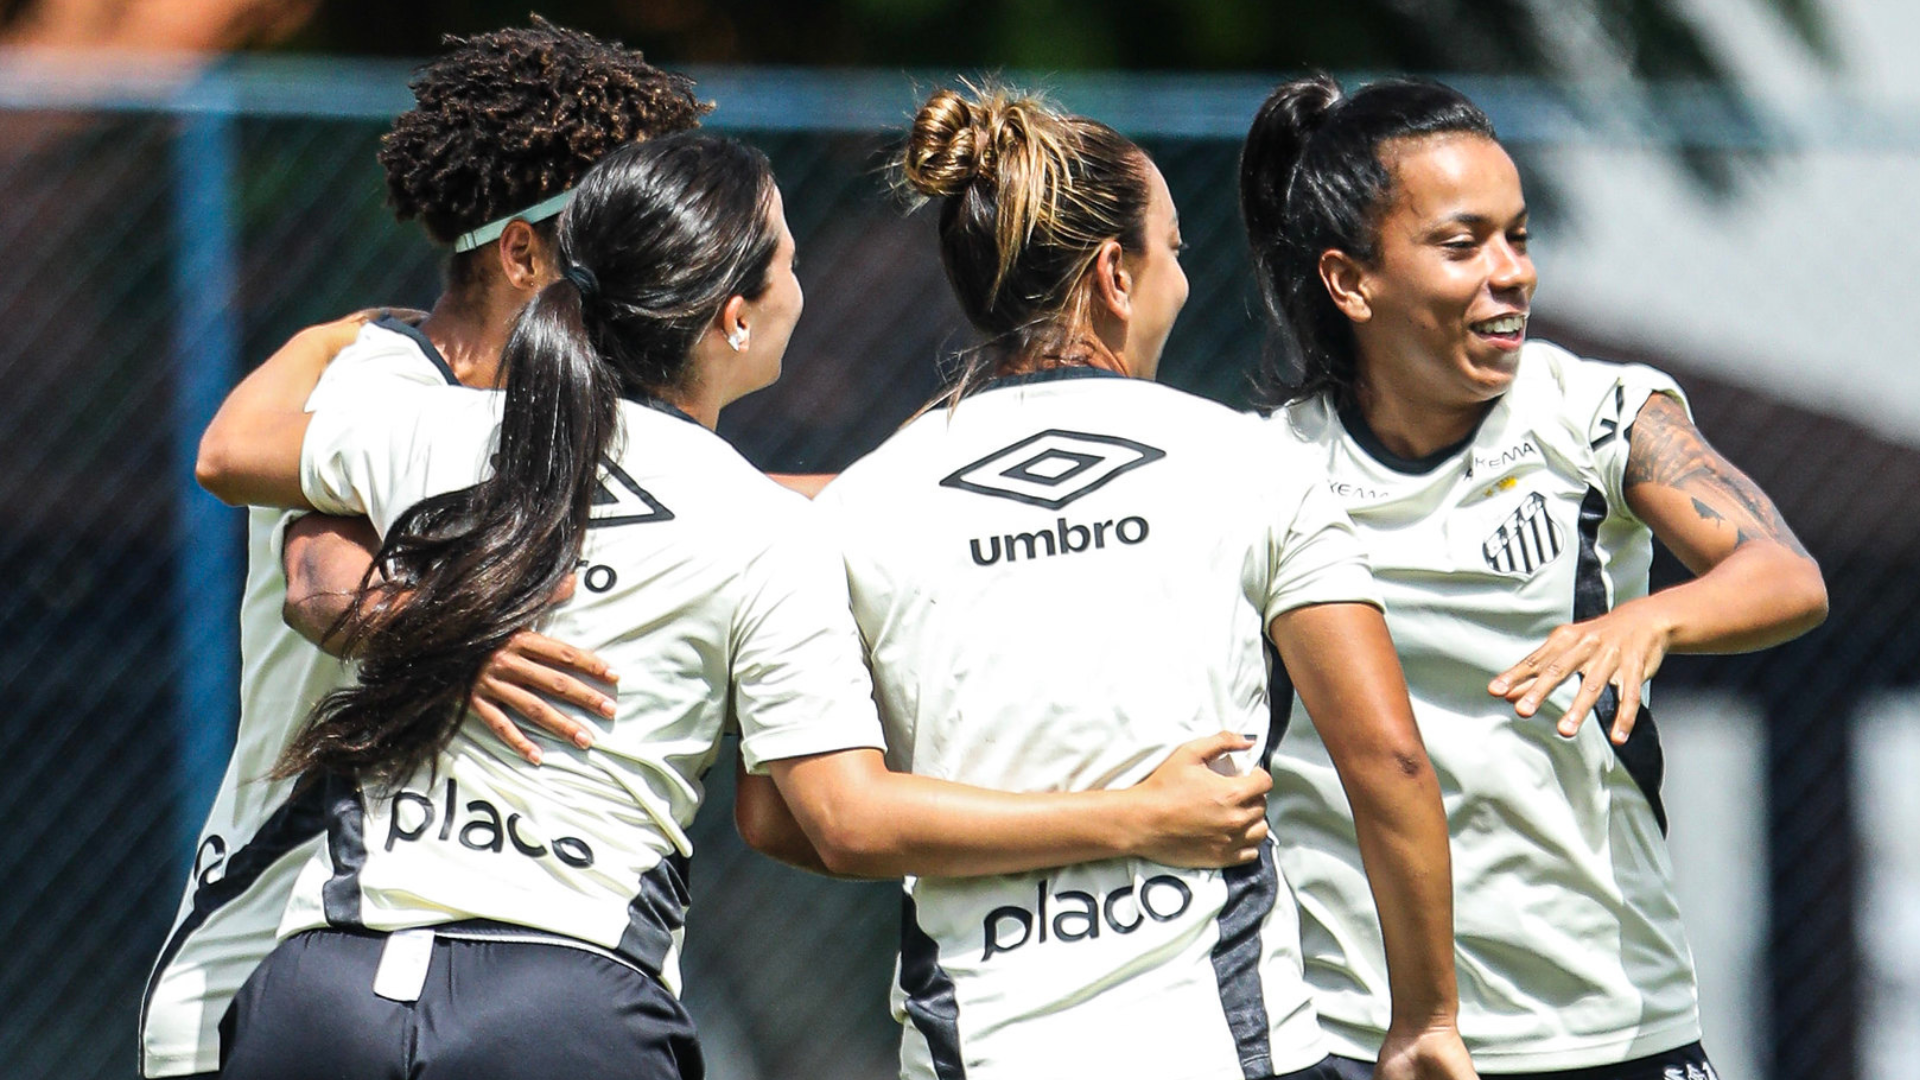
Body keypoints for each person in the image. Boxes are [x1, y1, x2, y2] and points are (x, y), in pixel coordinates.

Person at [193, 130, 1275, 1080]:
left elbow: (236, 455)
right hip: (558, 1010)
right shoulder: (759, 532)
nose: (808, 287)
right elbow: (841, 817)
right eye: (794, 265)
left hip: (321, 993)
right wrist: (1139, 817)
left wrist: (334, 340)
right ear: (738, 320)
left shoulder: (432, 431)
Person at [808, 84, 1475, 1080]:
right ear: (1114, 276)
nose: (1184, 283)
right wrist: (1426, 1018)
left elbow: (796, 813)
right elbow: (1391, 762)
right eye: (1174, 252)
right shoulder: (1252, 464)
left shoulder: (862, 506)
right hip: (1222, 1045)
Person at [140, 20, 711, 1079]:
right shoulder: (386, 376)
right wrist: (455, 643)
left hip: (449, 978)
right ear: (524, 250)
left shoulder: (582, 414)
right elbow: (317, 576)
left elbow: (745, 505)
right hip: (271, 947)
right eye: (618, 231)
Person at [1238, 74, 1828, 1079]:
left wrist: (1652, 624)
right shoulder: (1260, 472)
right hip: (1359, 1034)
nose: (1510, 273)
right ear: (1351, 282)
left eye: (1520, 236)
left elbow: (1785, 576)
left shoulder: (1592, 412)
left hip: (1608, 1020)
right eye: (1462, 245)